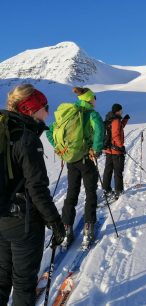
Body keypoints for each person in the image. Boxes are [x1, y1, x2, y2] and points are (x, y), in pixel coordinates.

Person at [0, 84, 65, 306]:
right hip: (23, 223)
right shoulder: (27, 139)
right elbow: (36, 188)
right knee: (23, 283)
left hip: (1, 217)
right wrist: (55, 223)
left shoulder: (4, 130)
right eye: (45, 107)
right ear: (30, 108)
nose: (47, 112)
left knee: (1, 280)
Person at [46, 87, 104, 247]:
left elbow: (50, 132)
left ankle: (66, 228)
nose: (95, 101)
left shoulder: (68, 113)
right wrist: (97, 150)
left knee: (71, 193)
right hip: (86, 158)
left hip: (71, 160)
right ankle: (88, 227)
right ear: (89, 99)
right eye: (94, 98)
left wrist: (61, 149)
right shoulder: (91, 114)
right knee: (91, 192)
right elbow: (99, 131)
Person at [102, 103, 130, 200]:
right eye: (121, 110)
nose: (122, 111)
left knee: (108, 170)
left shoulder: (110, 118)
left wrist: (125, 120)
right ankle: (119, 191)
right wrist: (120, 146)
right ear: (117, 111)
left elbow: (118, 127)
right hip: (116, 150)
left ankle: (106, 189)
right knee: (118, 171)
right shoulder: (116, 120)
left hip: (108, 149)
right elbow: (116, 135)